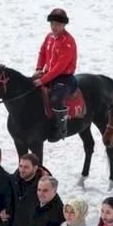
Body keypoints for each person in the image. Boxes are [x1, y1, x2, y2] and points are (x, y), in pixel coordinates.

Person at [32, 8, 77, 141]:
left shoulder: (68, 42)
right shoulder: (49, 37)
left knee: (56, 99)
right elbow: (42, 52)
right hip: (48, 73)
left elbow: (60, 67)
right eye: (52, 24)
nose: (54, 27)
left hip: (64, 77)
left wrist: (42, 80)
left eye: (57, 24)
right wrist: (39, 68)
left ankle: (61, 128)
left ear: (64, 25)